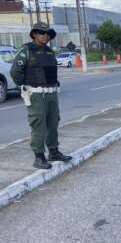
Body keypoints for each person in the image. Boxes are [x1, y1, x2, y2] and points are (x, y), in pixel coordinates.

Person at [11, 22, 72, 170]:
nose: (45, 36)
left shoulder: (50, 51)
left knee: (53, 122)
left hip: (51, 93)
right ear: (34, 34)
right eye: (41, 33)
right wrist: (24, 85)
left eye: (47, 34)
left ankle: (53, 151)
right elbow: (15, 71)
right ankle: (39, 156)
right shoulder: (27, 50)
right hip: (36, 93)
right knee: (39, 125)